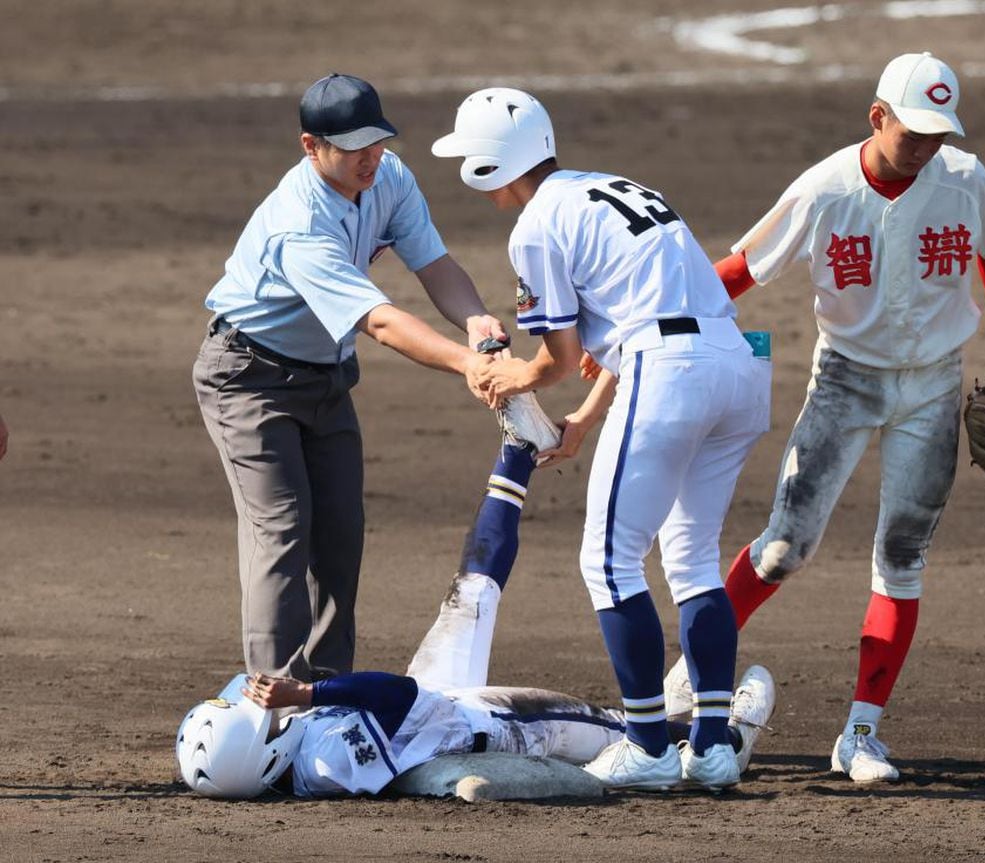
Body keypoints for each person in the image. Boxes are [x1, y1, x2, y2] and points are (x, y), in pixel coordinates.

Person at [663, 52, 985, 783]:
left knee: (902, 557)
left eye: (939, 133)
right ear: (878, 116)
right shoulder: (825, 190)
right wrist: (661, 322)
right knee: (783, 550)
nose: (927, 146)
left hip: (933, 386)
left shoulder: (965, 178)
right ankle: (693, 668)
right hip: (845, 383)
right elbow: (740, 269)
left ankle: (861, 733)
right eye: (914, 131)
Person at [430, 89, 772, 791]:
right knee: (692, 557)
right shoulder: (617, 189)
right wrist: (583, 418)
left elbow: (556, 354)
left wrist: (513, 376)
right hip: (739, 369)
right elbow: (650, 322)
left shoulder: (534, 226)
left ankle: (648, 745)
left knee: (609, 560)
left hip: (669, 372)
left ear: (492, 164)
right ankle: (708, 747)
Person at [177, 440, 777, 799]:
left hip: (434, 707)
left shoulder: (263, 765)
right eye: (260, 721)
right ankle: (727, 733)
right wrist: (308, 692)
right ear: (263, 755)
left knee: (473, 587)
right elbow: (396, 693)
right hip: (495, 723)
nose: (261, 707)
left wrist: (289, 703)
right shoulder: (324, 764)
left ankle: (516, 452)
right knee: (636, 735)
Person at [192, 73, 507, 684]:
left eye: (378, 140)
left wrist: (477, 322)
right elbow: (380, 322)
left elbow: (434, 264)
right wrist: (468, 364)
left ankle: (326, 695)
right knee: (281, 529)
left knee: (340, 535)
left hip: (327, 377)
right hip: (249, 379)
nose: (371, 156)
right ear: (312, 146)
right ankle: (273, 703)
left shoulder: (389, 176)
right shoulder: (299, 223)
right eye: (353, 145)